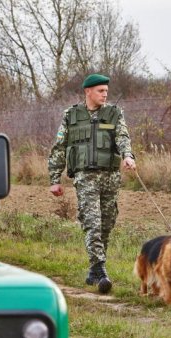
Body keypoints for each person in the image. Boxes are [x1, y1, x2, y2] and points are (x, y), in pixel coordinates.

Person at [48, 73, 136, 294]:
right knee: (92, 222)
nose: (105, 94)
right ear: (88, 91)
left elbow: (122, 136)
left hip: (110, 177)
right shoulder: (71, 115)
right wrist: (54, 179)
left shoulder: (114, 113)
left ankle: (93, 270)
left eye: (106, 91)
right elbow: (59, 147)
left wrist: (128, 155)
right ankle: (100, 270)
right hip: (85, 177)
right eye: (100, 91)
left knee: (107, 223)